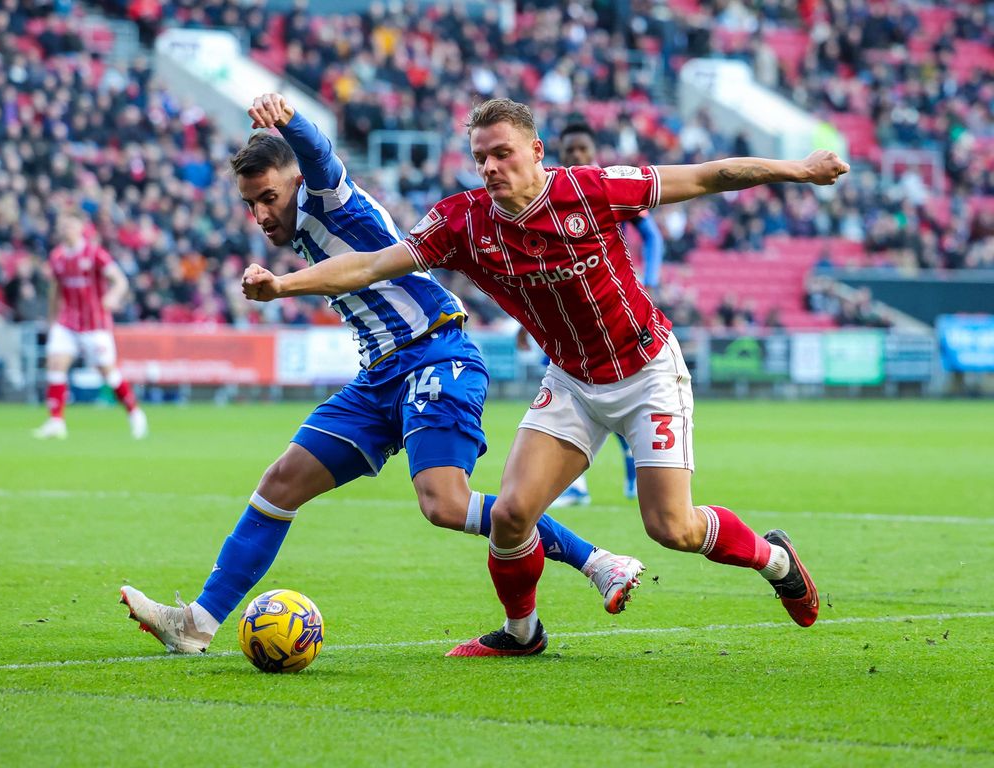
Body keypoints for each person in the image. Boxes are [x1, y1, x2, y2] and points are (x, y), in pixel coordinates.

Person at [240, 98, 846, 657]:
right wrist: (283, 284)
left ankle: (774, 561)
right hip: (573, 384)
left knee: (672, 528)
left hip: (646, 371)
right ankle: (521, 634)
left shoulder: (593, 191)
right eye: (480, 157)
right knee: (510, 514)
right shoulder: (463, 222)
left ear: (536, 151)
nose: (491, 167)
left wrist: (800, 169)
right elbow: (372, 264)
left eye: (502, 153)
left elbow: (710, 176)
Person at [120, 94, 645, 654]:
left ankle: (597, 561)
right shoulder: (298, 228)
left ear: (295, 181)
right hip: (380, 378)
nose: (263, 214)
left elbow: (318, 153)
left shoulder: (328, 198)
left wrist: (289, 119)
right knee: (280, 484)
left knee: (444, 503)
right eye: (252, 205)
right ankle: (196, 625)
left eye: (270, 197)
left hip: (436, 354)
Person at [551, 121, 668, 505]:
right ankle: (579, 485)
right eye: (570, 150)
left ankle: (625, 476)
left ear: (594, 151)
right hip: (562, 315)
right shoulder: (547, 193)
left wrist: (649, 281)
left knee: (611, 393)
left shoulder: (605, 187)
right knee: (570, 394)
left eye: (583, 149)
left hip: (609, 310)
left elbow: (652, 236)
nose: (577, 157)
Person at [33, 211, 147, 440]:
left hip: (95, 325)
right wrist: (52, 319)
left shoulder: (94, 253)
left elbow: (120, 280)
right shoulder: (57, 257)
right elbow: (55, 291)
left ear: (81, 227)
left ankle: (135, 413)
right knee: (55, 364)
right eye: (63, 225)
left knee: (108, 373)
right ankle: (56, 421)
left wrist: (113, 296)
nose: (66, 229)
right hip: (66, 322)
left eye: (70, 225)